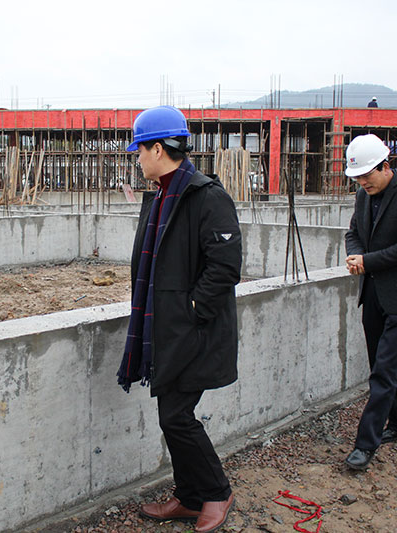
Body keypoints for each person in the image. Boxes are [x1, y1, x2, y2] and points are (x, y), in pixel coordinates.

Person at [117, 105, 241, 532]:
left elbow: (225, 266)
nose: (137, 159)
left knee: (176, 417)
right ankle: (189, 497)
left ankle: (216, 491)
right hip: (167, 331)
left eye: (139, 151)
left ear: (157, 148)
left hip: (196, 333)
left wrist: (191, 311)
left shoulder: (206, 196)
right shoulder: (162, 196)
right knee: (170, 414)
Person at [343, 133, 397, 470]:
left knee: (383, 371)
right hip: (375, 293)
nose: (363, 182)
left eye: (367, 175)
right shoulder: (363, 197)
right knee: (383, 365)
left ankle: (365, 445)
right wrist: (355, 253)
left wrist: (368, 261)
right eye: (358, 177)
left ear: (385, 166)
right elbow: (354, 232)